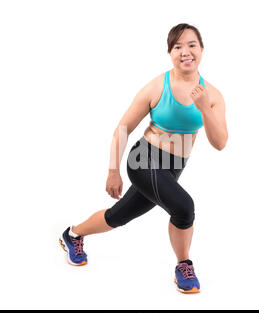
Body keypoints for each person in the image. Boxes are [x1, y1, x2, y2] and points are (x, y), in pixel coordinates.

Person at [59, 23, 228, 294]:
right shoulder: (157, 86)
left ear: (202, 49)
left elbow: (220, 143)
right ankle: (183, 266)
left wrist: (204, 107)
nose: (185, 52)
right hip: (143, 159)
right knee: (184, 207)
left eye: (191, 45)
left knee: (118, 216)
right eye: (177, 47)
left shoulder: (213, 96)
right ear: (170, 53)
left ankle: (73, 234)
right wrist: (113, 170)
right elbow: (123, 127)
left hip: (173, 168)